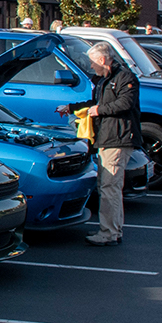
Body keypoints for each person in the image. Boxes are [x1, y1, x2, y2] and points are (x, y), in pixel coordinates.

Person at [60, 41, 139, 246]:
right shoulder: (105, 79)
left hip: (118, 138)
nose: (91, 66)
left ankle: (108, 233)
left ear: (103, 60)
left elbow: (125, 103)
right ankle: (114, 230)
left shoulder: (124, 77)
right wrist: (71, 107)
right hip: (108, 137)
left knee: (109, 187)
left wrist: (98, 111)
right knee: (109, 186)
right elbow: (95, 104)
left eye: (93, 62)